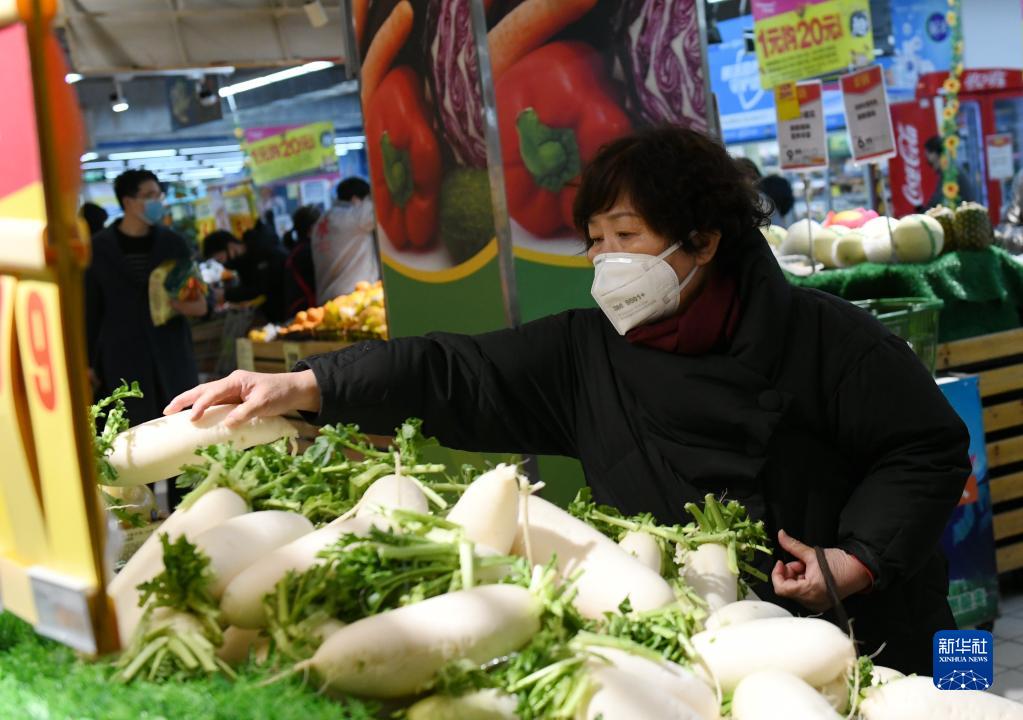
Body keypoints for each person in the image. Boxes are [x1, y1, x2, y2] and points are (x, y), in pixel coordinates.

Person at [167, 127, 969, 675]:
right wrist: (308, 385)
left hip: (877, 631)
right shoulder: (585, 353)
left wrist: (857, 559)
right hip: (706, 654)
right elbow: (453, 371)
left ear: (703, 239)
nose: (606, 259)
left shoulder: (828, 337)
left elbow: (927, 447)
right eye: (594, 239)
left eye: (627, 235)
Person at [86, 169, 207, 424]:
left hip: (171, 348)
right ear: (128, 202)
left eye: (159, 195)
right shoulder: (98, 248)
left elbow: (195, 294)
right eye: (150, 195)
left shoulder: (173, 243)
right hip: (122, 354)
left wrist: (181, 302)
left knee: (181, 422)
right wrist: (87, 362)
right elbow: (90, 310)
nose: (157, 202)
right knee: (132, 426)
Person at [311, 177, 379, 304]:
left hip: (326, 300)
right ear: (355, 200)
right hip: (354, 298)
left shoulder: (320, 222)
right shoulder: (354, 217)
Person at [202, 226, 287, 323]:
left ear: (230, 245)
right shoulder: (242, 262)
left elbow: (259, 288)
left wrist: (225, 294)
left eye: (220, 259)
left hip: (287, 307)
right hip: (274, 313)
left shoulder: (264, 250)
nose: (222, 263)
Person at [284, 205, 322, 318]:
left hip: (299, 310)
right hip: (307, 312)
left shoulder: (297, 249)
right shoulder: (307, 252)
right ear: (312, 229)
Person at [925, 135, 975, 209]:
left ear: (934, 154)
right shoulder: (949, 169)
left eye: (927, 154)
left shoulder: (950, 172)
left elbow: (937, 200)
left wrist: (923, 211)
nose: (926, 158)